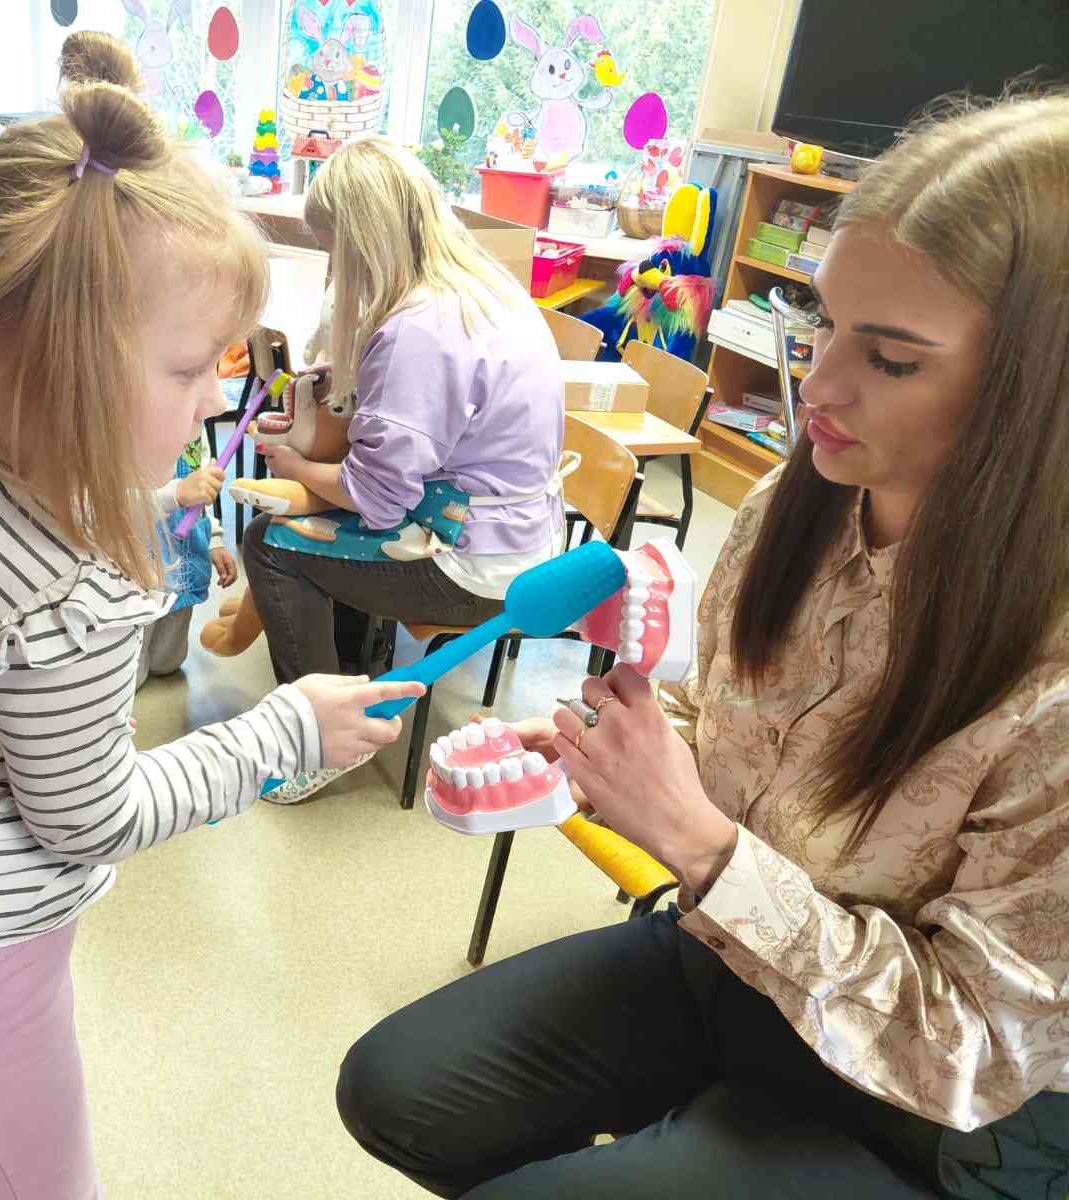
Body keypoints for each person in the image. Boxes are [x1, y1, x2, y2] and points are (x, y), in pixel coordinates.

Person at [336, 93, 1069, 1198]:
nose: (818, 384)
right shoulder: (796, 507)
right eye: (822, 323)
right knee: (393, 1087)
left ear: (1035, 389)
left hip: (915, 1111)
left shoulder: (1049, 671)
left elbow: (971, 1047)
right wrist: (602, 757)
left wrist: (703, 847)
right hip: (733, 956)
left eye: (891, 360)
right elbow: (725, 714)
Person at [0, 82, 421, 1200]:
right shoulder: (71, 601)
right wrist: (282, 731)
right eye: (191, 370)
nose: (215, 401)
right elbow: (90, 818)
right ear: (65, 367)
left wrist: (151, 507)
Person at [240, 137, 568, 802]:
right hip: (526, 539)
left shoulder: (417, 330)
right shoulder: (483, 290)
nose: (334, 266)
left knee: (270, 543)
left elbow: (377, 501)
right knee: (325, 531)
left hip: (472, 564)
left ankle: (322, 739)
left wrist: (294, 461)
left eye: (332, 248)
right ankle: (353, 683)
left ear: (361, 242)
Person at [140, 426, 236, 688]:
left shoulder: (195, 430)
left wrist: (214, 539)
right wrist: (175, 494)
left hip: (184, 563)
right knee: (133, 675)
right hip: (139, 577)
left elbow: (203, 497)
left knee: (167, 663)